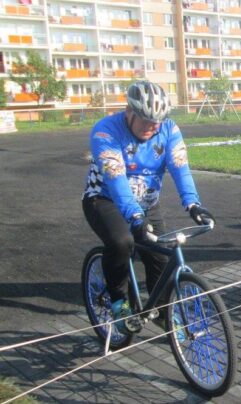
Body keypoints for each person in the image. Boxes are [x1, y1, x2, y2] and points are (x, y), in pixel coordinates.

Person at [82, 80, 214, 333]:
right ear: (129, 112)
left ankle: (162, 312)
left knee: (160, 257)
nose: (152, 127)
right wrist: (134, 218)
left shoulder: (168, 129)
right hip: (104, 199)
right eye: (145, 120)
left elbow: (179, 167)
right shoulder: (105, 132)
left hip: (146, 203)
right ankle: (118, 301)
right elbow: (117, 178)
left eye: (157, 121)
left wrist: (193, 203)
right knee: (122, 242)